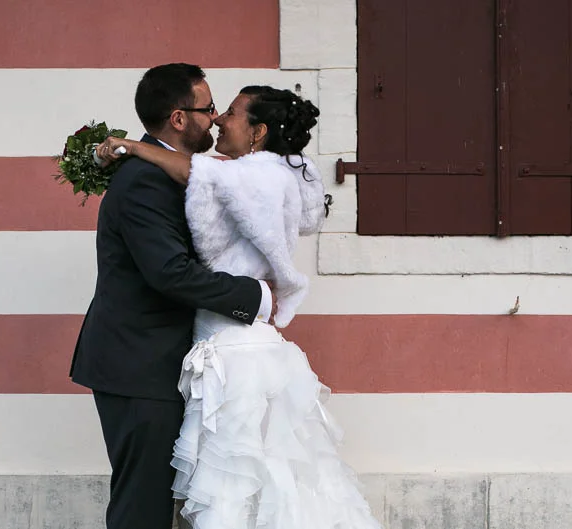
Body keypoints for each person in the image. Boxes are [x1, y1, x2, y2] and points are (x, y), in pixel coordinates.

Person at [96, 86, 381, 529]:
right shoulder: (271, 171)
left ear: (259, 132)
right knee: (244, 483)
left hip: (234, 350)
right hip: (218, 344)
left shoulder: (259, 175)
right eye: (213, 109)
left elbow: (197, 173)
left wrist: (132, 146)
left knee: (234, 489)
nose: (218, 119)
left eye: (228, 111)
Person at [70, 64, 275, 529]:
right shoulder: (144, 180)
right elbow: (169, 273)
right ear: (179, 119)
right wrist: (254, 296)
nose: (217, 117)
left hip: (164, 360)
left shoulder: (172, 171)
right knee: (143, 505)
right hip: (140, 364)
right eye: (208, 108)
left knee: (170, 502)